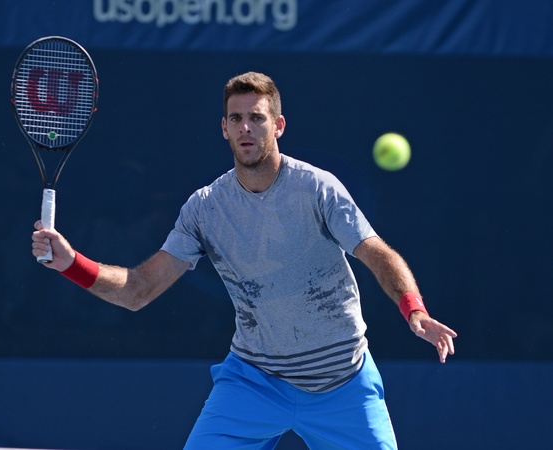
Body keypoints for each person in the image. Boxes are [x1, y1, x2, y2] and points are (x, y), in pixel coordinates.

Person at [32, 71, 457, 449]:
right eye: (236, 118)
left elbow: (376, 252)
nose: (246, 127)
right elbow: (139, 290)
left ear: (278, 125)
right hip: (253, 382)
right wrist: (71, 263)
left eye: (256, 117)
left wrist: (413, 309)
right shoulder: (204, 208)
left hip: (342, 382)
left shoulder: (317, 188)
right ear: (224, 128)